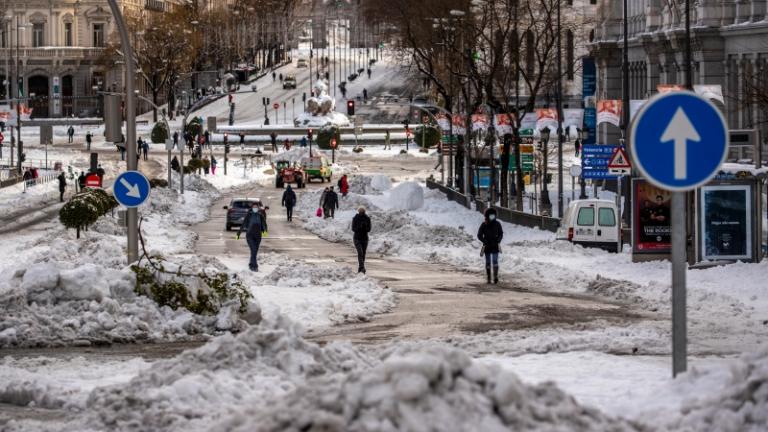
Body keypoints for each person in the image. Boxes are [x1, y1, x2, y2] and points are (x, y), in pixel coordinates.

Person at [237, 202, 268, 272]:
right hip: (250, 235)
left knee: (254, 251)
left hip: (258, 236)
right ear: (252, 208)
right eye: (254, 207)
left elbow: (264, 224)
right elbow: (244, 224)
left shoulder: (260, 215)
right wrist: (238, 234)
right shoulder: (249, 215)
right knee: (253, 250)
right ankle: (254, 266)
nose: (255, 208)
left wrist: (265, 232)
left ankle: (251, 264)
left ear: (258, 208)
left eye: (256, 207)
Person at [477, 208, 504, 284]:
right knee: (488, 262)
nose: (492, 216)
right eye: (491, 215)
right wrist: (484, 241)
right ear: (487, 216)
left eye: (493, 215)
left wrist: (499, 240)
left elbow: (501, 233)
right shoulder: (484, 224)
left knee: (495, 261)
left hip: (495, 246)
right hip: (487, 247)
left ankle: (495, 277)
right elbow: (479, 235)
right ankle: (489, 277)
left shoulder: (498, 224)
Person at [352, 206, 371, 273]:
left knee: (363, 253)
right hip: (357, 238)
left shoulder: (367, 219)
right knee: (360, 252)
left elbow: (369, 229)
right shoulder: (355, 218)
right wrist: (359, 227)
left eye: (363, 212)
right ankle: (362, 267)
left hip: (364, 238)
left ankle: (360, 268)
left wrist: (365, 226)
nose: (362, 213)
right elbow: (353, 229)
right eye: (360, 212)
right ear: (359, 212)